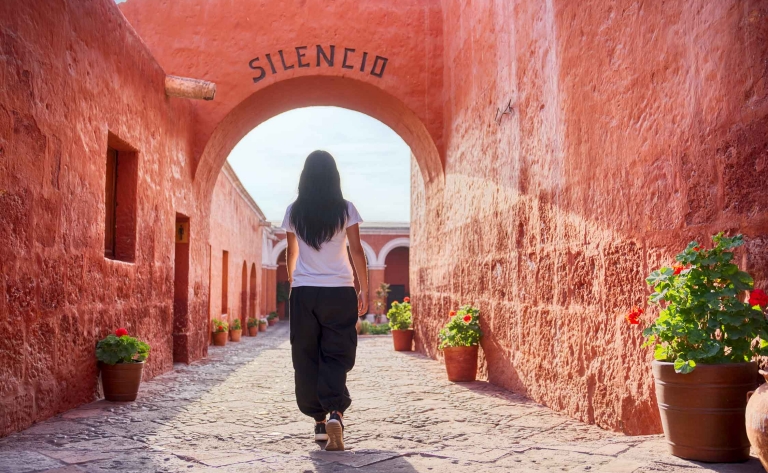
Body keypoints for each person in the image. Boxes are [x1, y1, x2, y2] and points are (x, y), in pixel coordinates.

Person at [281, 150, 369, 452]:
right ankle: (334, 412)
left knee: (306, 355)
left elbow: (291, 255)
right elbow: (357, 251)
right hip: (340, 290)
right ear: (335, 177)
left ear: (304, 177)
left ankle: (319, 422)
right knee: (336, 353)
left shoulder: (294, 211)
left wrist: (296, 284)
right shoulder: (346, 209)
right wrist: (364, 288)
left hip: (305, 291)